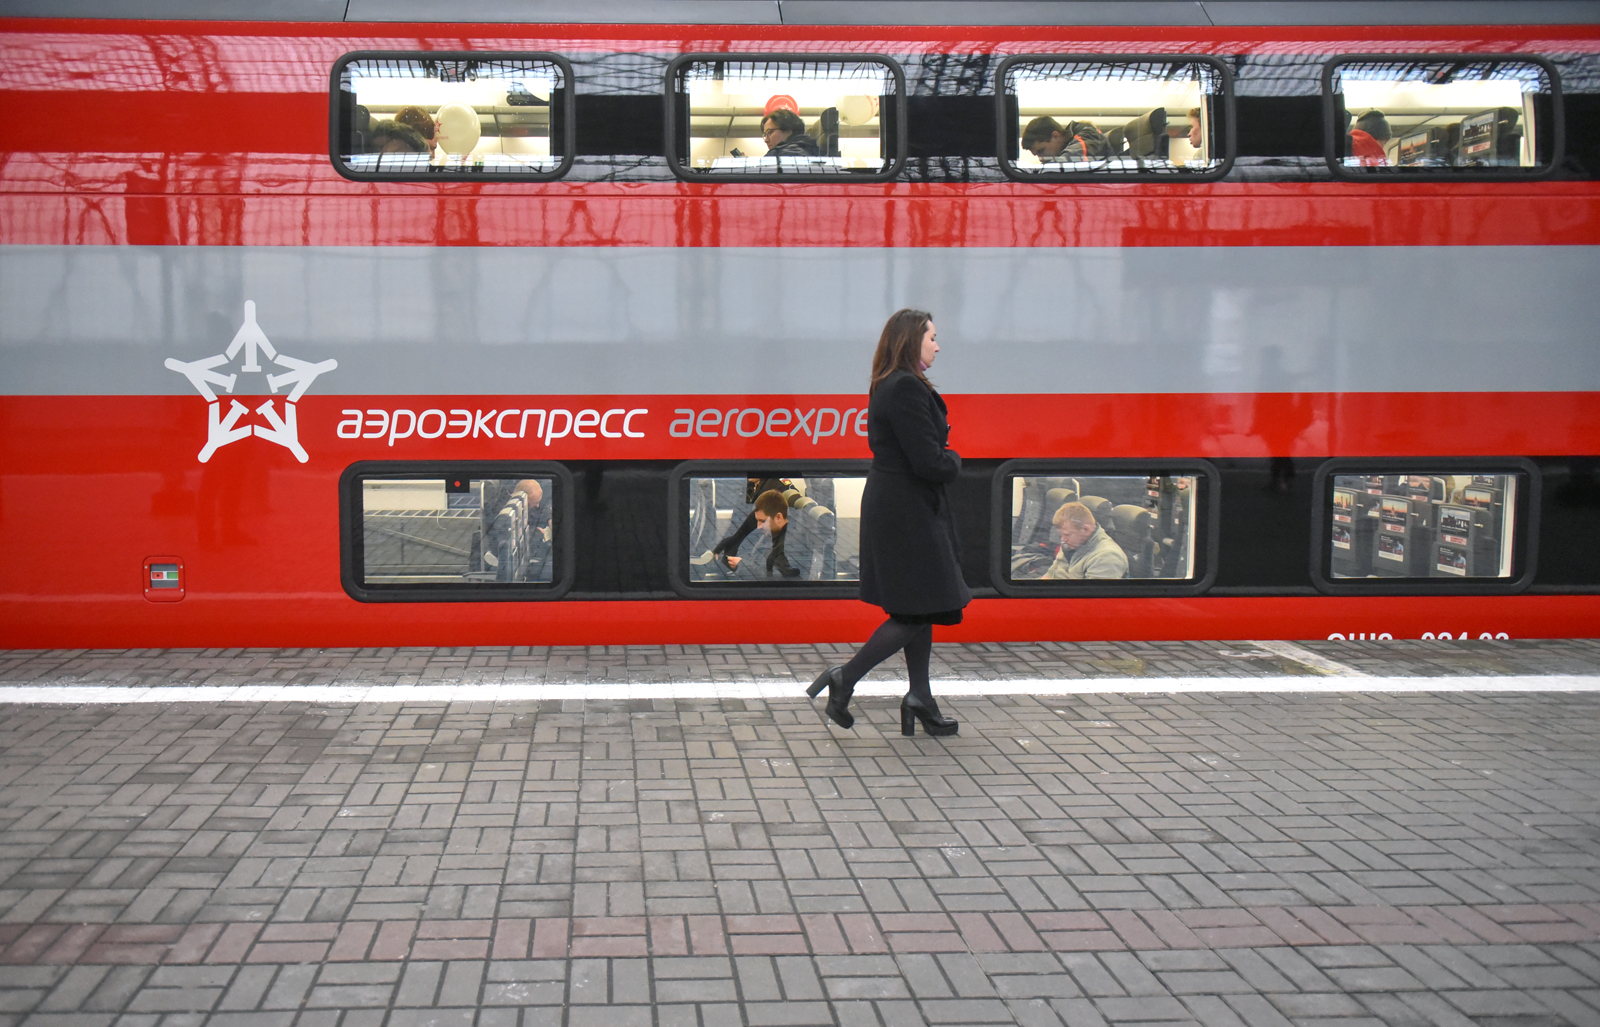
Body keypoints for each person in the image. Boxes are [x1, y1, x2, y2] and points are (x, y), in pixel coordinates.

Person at [807, 309, 969, 737]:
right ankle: (847, 677)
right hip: (907, 511)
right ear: (912, 340)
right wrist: (955, 459)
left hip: (903, 505)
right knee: (914, 610)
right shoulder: (904, 389)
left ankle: (920, 697)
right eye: (932, 336)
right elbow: (930, 462)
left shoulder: (895, 385)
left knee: (919, 605)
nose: (937, 345)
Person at [725, 489, 815, 579]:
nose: (759, 526)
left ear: (779, 517)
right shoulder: (772, 532)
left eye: (763, 521)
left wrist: (742, 565)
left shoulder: (791, 544)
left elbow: (775, 577)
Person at [712, 477, 801, 565]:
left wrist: (742, 563)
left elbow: (787, 534)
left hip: (760, 552)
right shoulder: (747, 488)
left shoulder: (779, 487)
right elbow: (737, 523)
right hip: (745, 550)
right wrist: (729, 544)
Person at [1043, 502, 1128, 579]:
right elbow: (1052, 573)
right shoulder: (1073, 543)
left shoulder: (1107, 557)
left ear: (1086, 529)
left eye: (1066, 534)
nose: (1063, 539)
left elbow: (1092, 594)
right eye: (1061, 535)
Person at [1021, 115, 1109, 162]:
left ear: (1056, 136)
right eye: (1037, 155)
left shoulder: (1089, 134)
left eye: (1041, 151)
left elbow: (1072, 159)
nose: (1041, 159)